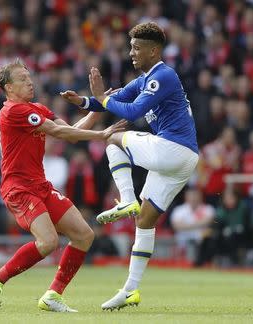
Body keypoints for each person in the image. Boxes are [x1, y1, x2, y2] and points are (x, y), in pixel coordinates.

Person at [61, 22, 199, 310]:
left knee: (111, 140)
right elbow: (117, 99)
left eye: (137, 48)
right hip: (182, 160)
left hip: (172, 149)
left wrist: (101, 98)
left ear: (154, 50)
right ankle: (130, 290)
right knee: (145, 221)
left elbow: (133, 111)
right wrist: (85, 101)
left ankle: (126, 199)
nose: (131, 53)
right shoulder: (146, 78)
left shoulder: (163, 76)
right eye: (131, 47)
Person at [0, 58, 125, 313]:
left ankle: (53, 295)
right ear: (8, 87)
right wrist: (102, 135)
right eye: (23, 79)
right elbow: (62, 134)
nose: (30, 82)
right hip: (19, 188)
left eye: (29, 77)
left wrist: (98, 108)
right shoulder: (13, 111)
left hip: (40, 186)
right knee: (48, 242)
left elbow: (71, 130)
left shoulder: (36, 109)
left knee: (84, 235)